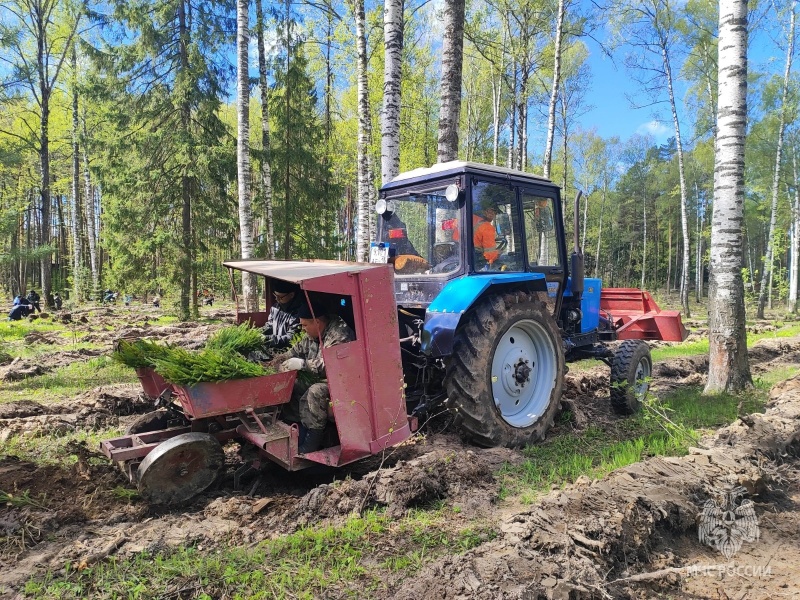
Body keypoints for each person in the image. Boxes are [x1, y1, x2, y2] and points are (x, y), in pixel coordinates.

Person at [275, 300, 355, 453]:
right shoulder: (313, 334)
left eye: (305, 325)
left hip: (342, 381)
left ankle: (311, 444)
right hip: (322, 377)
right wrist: (279, 361)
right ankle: (295, 431)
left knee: (315, 392)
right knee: (293, 384)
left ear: (317, 322)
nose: (303, 329)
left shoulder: (339, 334)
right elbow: (295, 351)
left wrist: (303, 364)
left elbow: (332, 366)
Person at [473, 199, 501, 268]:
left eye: (494, 213)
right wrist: (498, 253)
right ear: (484, 212)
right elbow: (490, 254)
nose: (492, 215)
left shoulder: (472, 221)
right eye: (490, 212)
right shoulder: (487, 227)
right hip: (477, 261)